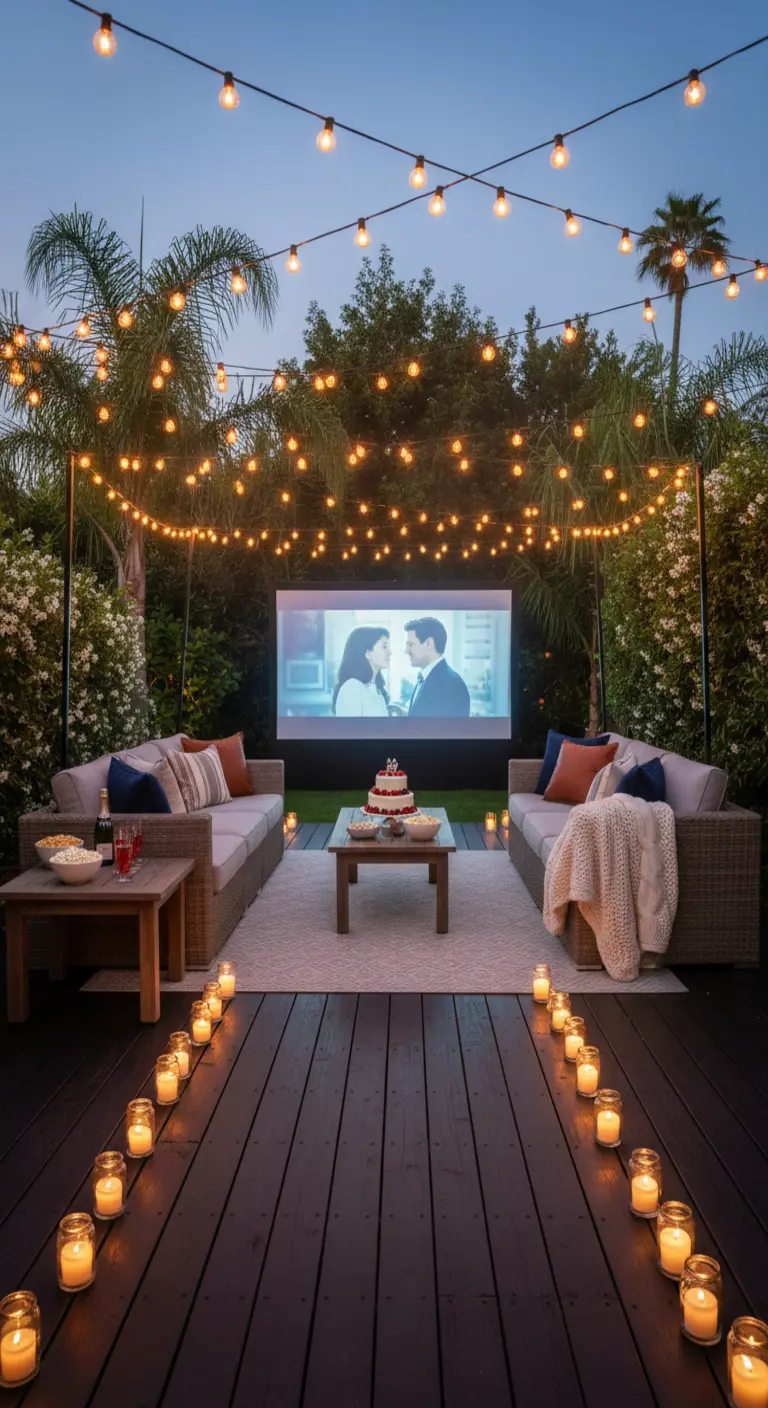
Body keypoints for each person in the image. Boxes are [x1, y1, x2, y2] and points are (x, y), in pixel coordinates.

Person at [404, 617, 470, 717]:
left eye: (410, 644)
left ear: (428, 644)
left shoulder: (452, 685)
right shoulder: (425, 677)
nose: (406, 651)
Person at [332, 626, 392, 717]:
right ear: (367, 653)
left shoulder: (377, 690)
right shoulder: (352, 687)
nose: (390, 652)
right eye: (384, 647)